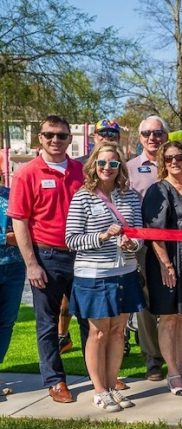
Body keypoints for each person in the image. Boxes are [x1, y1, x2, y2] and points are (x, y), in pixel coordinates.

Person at [8, 115, 87, 403]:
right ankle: (55, 381)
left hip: (83, 255)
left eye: (61, 135)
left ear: (70, 139)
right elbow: (19, 221)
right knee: (47, 323)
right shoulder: (27, 173)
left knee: (91, 318)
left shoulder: (81, 171)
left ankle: (100, 374)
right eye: (49, 135)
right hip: (47, 256)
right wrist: (31, 264)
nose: (55, 140)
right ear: (40, 138)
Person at [65, 142, 143, 412]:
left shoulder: (130, 197)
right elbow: (71, 239)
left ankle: (112, 386)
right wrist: (103, 236)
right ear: (93, 166)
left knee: (118, 332)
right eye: (102, 163)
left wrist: (132, 244)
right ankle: (99, 390)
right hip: (94, 274)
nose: (107, 168)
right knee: (98, 333)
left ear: (120, 166)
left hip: (125, 271)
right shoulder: (82, 197)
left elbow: (139, 234)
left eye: (113, 163)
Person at [142, 140, 182, 396]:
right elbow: (153, 231)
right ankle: (172, 373)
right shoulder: (158, 190)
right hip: (167, 261)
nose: (174, 162)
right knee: (169, 317)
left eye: (179, 157)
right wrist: (165, 264)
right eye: (168, 158)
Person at [62, 118, 123, 358]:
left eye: (113, 133)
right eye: (103, 133)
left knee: (115, 325)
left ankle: (109, 364)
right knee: (71, 307)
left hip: (118, 260)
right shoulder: (78, 165)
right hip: (81, 247)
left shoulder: (121, 165)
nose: (108, 136)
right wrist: (101, 235)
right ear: (93, 136)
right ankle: (63, 337)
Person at [127, 115, 169, 381]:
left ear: (166, 136)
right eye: (147, 133)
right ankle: (153, 359)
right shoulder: (129, 168)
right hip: (142, 244)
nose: (153, 137)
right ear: (140, 137)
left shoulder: (177, 162)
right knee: (145, 302)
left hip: (175, 241)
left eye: (158, 132)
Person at [0, 168, 25, 394]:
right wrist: (4, 238)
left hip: (15, 267)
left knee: (7, 322)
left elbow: (28, 223)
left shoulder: (11, 194)